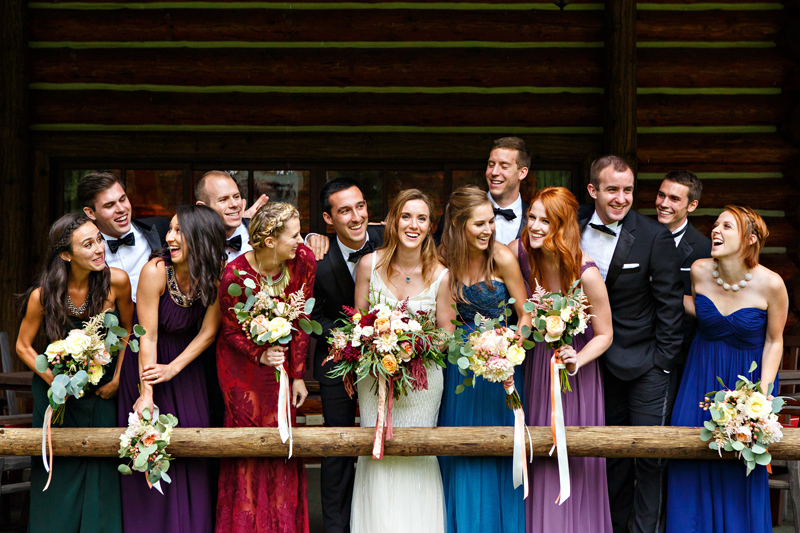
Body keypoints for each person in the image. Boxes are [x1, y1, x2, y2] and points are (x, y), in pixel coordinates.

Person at [578, 156, 684, 533]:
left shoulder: (654, 236)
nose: (621, 198)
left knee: (649, 457)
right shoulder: (572, 228)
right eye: (612, 190)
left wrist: (663, 364)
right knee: (608, 457)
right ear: (593, 191)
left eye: (627, 190)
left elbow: (670, 307)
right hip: (591, 367)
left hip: (646, 367)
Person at [666, 206, 787, 533]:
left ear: (750, 239)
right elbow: (701, 309)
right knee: (687, 459)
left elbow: (775, 341)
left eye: (726, 226)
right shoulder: (699, 270)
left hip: (747, 382)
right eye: (715, 225)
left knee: (738, 468)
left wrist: (761, 397)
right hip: (699, 378)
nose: (715, 231)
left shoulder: (772, 284)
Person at [16, 213, 134, 532]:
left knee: (102, 470)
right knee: (59, 473)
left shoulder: (118, 281)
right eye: (88, 244)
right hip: (56, 393)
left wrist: (119, 379)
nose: (99, 248)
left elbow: (127, 334)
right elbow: (23, 346)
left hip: (102, 389)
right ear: (66, 255)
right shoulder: (43, 294)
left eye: (99, 239)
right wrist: (55, 382)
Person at [350, 189, 456, 533]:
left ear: (430, 227)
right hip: (376, 379)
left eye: (422, 218)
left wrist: (411, 342)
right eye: (406, 216)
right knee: (377, 454)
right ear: (393, 221)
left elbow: (446, 336)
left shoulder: (442, 274)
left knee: (419, 454)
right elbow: (358, 324)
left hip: (423, 382)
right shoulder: (369, 265)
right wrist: (380, 343)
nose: (413, 225)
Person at [509, 186, 613, 533]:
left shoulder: (586, 274)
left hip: (575, 376)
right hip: (536, 367)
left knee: (574, 456)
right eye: (532, 217)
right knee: (537, 453)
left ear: (564, 225)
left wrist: (577, 359)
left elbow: (605, 334)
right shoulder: (522, 254)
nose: (535, 226)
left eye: (545, 221)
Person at [117, 205, 226, 533]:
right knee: (149, 447)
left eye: (179, 231)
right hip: (147, 365)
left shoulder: (215, 272)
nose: (169, 237)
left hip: (185, 368)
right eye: (171, 230)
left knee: (193, 449)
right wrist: (146, 394)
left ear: (200, 238)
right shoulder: (156, 271)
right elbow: (146, 336)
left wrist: (175, 369)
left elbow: (209, 331)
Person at [437, 185, 532, 533]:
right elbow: (445, 327)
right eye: (479, 224)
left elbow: (525, 313)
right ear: (460, 224)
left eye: (491, 222)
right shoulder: (447, 265)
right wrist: (470, 351)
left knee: (502, 449)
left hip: (503, 368)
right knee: (463, 450)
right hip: (463, 372)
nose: (488, 230)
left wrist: (509, 345)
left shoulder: (502, 258)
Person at [216, 202, 314, 533]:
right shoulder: (234, 276)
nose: (300, 241)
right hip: (241, 370)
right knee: (248, 449)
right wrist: (260, 355)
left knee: (281, 441)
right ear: (270, 240)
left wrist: (297, 374)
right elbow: (229, 332)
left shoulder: (303, 262)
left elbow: (302, 320)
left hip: (283, 369)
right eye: (295, 235)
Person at [308, 177, 384, 533]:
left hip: (389, 357)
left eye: (360, 207)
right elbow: (311, 311)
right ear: (328, 218)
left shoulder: (392, 241)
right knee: (337, 445)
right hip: (336, 362)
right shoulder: (316, 255)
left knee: (385, 437)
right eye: (344, 211)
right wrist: (346, 339)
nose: (356, 217)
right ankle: (337, 527)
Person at [654, 170, 712, 383]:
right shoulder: (637, 236)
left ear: (692, 205)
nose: (663, 203)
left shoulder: (705, 249)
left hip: (687, 355)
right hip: (640, 350)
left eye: (674, 199)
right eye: (661, 195)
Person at [78, 171, 169, 303]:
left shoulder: (162, 229)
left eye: (123, 199)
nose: (121, 209)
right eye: (109, 205)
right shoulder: (83, 253)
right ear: (91, 213)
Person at [435, 137, 530, 245]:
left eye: (504, 166)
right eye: (491, 164)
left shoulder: (533, 217)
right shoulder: (459, 209)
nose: (494, 172)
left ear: (522, 173)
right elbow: (438, 250)